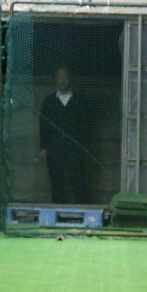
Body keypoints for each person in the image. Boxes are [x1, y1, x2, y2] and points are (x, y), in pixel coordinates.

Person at [39, 67, 90, 204]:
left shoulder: (80, 101)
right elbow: (43, 125)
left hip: (75, 147)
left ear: (69, 79)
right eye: (59, 77)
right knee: (56, 179)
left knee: (77, 178)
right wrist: (43, 147)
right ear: (55, 80)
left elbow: (86, 125)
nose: (62, 80)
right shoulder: (49, 102)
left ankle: (80, 207)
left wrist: (85, 146)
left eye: (65, 77)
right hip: (54, 148)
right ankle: (58, 207)